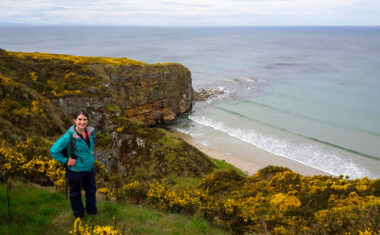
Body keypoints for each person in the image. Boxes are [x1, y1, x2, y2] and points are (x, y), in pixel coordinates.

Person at [50, 110, 97, 218]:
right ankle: (79, 216)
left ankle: (92, 213)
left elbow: (89, 147)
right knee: (76, 193)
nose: (82, 122)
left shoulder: (90, 132)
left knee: (91, 191)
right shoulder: (69, 136)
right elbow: (53, 150)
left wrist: (90, 152)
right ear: (74, 121)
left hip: (89, 168)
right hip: (75, 170)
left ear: (88, 121)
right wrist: (65, 161)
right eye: (79, 119)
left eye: (85, 119)